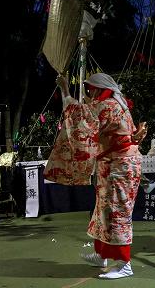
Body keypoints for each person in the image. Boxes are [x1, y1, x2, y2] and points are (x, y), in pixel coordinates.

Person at [56, 72, 147, 279]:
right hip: (115, 164)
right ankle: (102, 254)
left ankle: (125, 264)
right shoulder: (118, 104)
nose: (90, 93)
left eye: (91, 89)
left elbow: (78, 115)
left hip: (119, 165)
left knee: (117, 213)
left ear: (98, 88)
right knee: (103, 211)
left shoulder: (108, 106)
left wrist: (64, 89)